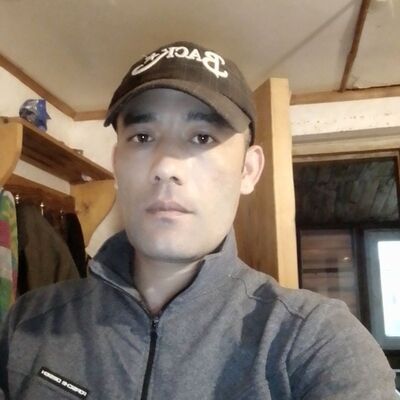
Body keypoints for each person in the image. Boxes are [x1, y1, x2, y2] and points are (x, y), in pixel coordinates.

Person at [0, 41, 396, 400]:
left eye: (202, 137)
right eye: (142, 137)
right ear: (116, 163)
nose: (166, 166)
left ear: (249, 170)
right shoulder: (27, 323)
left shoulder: (313, 341)